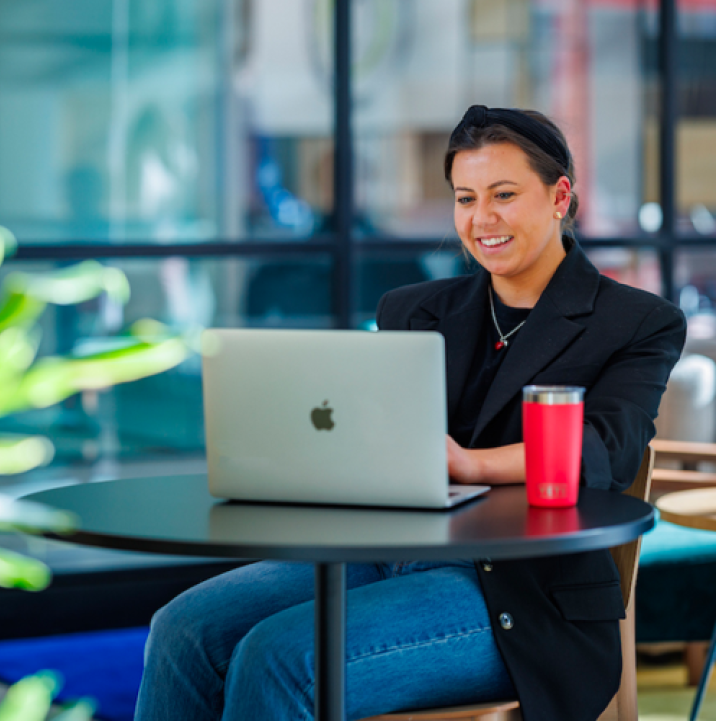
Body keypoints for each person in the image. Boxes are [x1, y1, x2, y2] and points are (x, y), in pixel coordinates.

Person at [133, 105, 686, 721]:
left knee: (279, 658)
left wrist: (470, 465)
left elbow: (606, 449)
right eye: (465, 198)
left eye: (504, 194)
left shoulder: (636, 321)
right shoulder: (413, 308)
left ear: (559, 197)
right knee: (181, 629)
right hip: (388, 549)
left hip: (522, 595)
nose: (482, 219)